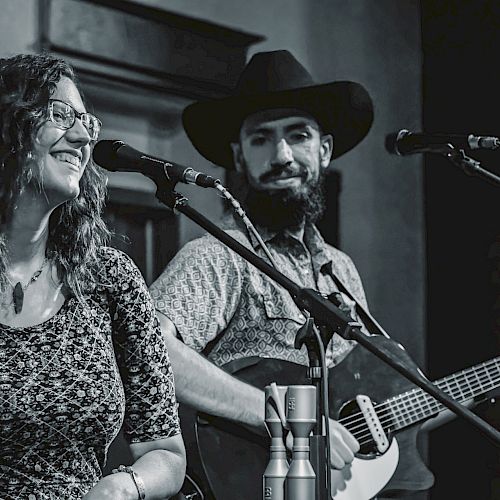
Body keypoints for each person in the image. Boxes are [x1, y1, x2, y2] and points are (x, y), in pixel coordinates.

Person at [150, 50, 374, 488]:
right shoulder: (216, 256)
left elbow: (361, 397)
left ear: (324, 149)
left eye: (298, 135)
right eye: (261, 139)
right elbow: (148, 351)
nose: (282, 155)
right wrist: (277, 415)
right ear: (238, 156)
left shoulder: (340, 270)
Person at [0, 53, 185, 499]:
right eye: (60, 115)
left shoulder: (109, 278)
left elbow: (167, 453)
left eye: (87, 121)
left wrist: (124, 487)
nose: (83, 136)